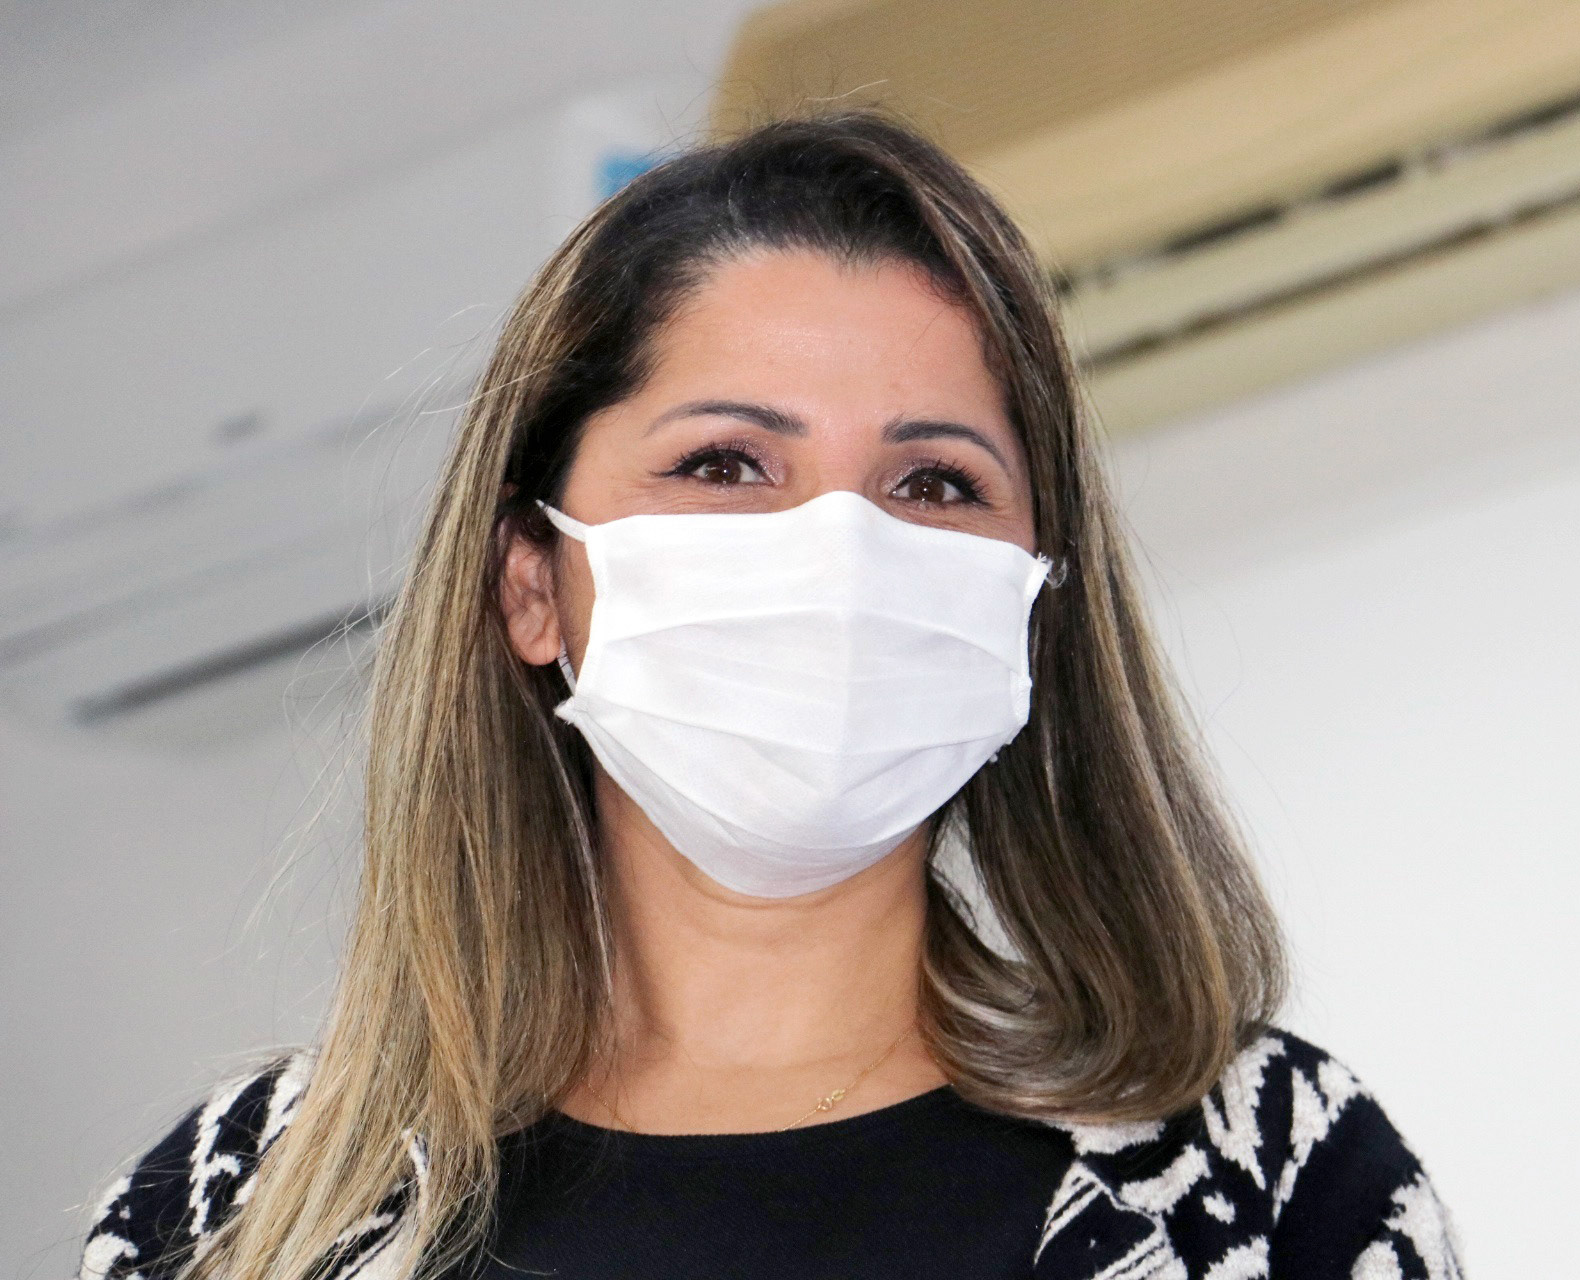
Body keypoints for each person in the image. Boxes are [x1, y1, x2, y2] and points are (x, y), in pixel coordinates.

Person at [74, 109, 1464, 1280]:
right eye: (727, 464)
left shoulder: (1267, 1177)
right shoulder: (244, 1208)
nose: (839, 553)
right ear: (531, 584)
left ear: (1031, 604)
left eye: (935, 483)